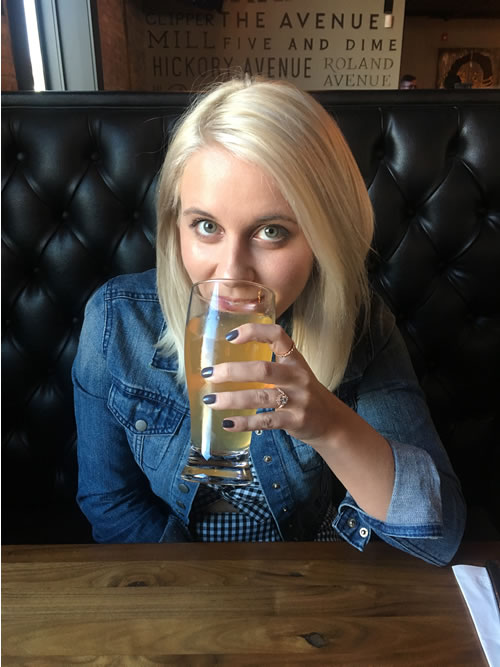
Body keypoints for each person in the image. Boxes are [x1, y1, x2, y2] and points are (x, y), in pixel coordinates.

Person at [73, 76, 465, 564]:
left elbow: (440, 535)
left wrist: (329, 425)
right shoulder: (117, 321)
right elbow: (109, 501)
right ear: (175, 225)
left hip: (316, 586)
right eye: (207, 226)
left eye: (272, 231)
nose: (232, 273)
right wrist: (198, 589)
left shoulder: (362, 328)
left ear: (324, 237)